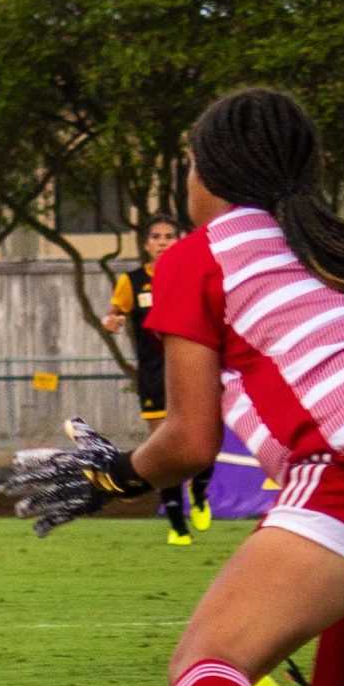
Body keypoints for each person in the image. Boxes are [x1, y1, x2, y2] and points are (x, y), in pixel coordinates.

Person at [5, 88, 344, 686]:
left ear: (213, 173)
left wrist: (110, 475)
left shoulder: (197, 258)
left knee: (210, 656)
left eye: (190, 163)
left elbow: (191, 440)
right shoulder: (330, 246)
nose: (186, 180)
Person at [104, 215, 211, 544]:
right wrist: (112, 320)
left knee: (206, 443)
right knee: (165, 450)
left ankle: (200, 490)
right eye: (156, 236)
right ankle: (178, 526)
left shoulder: (194, 276)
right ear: (147, 243)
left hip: (196, 371)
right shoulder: (132, 281)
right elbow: (115, 312)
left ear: (180, 241)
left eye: (169, 236)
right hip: (154, 378)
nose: (163, 241)